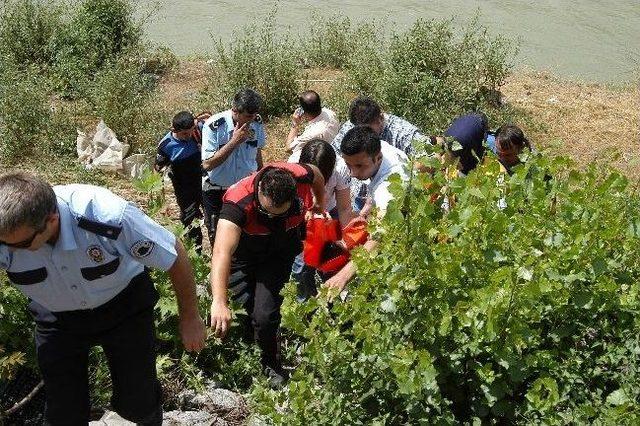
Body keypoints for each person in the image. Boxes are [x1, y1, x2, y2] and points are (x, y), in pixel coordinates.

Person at [0, 172, 206, 425]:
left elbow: (173, 254)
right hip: (57, 318)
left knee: (139, 402)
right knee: (63, 410)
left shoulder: (107, 216)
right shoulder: (7, 236)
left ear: (51, 220)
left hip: (123, 308)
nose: (10, 251)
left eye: (20, 245)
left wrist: (190, 317)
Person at [209, 163, 326, 386]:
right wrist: (219, 301)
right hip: (245, 254)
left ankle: (271, 364)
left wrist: (319, 203)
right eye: (266, 212)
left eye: (279, 212)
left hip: (279, 252)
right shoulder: (238, 201)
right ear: (260, 191)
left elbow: (317, 174)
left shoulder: (300, 176)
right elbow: (221, 252)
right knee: (244, 309)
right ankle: (245, 356)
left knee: (264, 315)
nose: (271, 216)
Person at [324, 126, 408, 293]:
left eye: (359, 166)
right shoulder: (377, 147)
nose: (353, 173)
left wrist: (343, 276)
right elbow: (373, 186)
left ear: (378, 158)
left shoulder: (388, 188)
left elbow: (380, 236)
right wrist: (364, 212)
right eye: (348, 165)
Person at [288, 139, 355, 301]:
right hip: (302, 212)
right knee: (302, 261)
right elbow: (290, 204)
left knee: (332, 257)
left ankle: (332, 298)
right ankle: (303, 302)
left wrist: (344, 239)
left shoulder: (340, 169)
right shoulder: (292, 167)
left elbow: (344, 208)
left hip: (331, 210)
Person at [201, 88, 266, 246]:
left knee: (245, 233)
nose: (251, 120)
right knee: (218, 236)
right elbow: (208, 164)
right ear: (235, 110)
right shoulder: (214, 126)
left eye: (254, 115)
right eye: (248, 116)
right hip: (217, 190)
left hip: (244, 189)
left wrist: (260, 176)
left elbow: (257, 151)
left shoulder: (256, 123)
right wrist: (234, 142)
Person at [154, 111, 204, 251]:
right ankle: (195, 255)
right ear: (174, 130)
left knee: (214, 220)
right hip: (185, 189)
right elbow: (157, 172)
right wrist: (161, 202)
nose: (188, 137)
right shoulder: (166, 145)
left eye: (190, 132)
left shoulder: (199, 131)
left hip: (205, 183)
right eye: (184, 134)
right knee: (190, 223)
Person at [331, 96, 426, 157]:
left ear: (380, 118)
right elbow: (333, 154)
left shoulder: (401, 132)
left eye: (368, 130)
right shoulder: (350, 127)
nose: (363, 135)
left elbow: (429, 156)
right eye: (359, 130)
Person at [286, 90, 339, 157]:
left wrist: (295, 124)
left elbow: (289, 148)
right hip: (332, 150)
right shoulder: (330, 113)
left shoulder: (310, 134)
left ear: (304, 112)